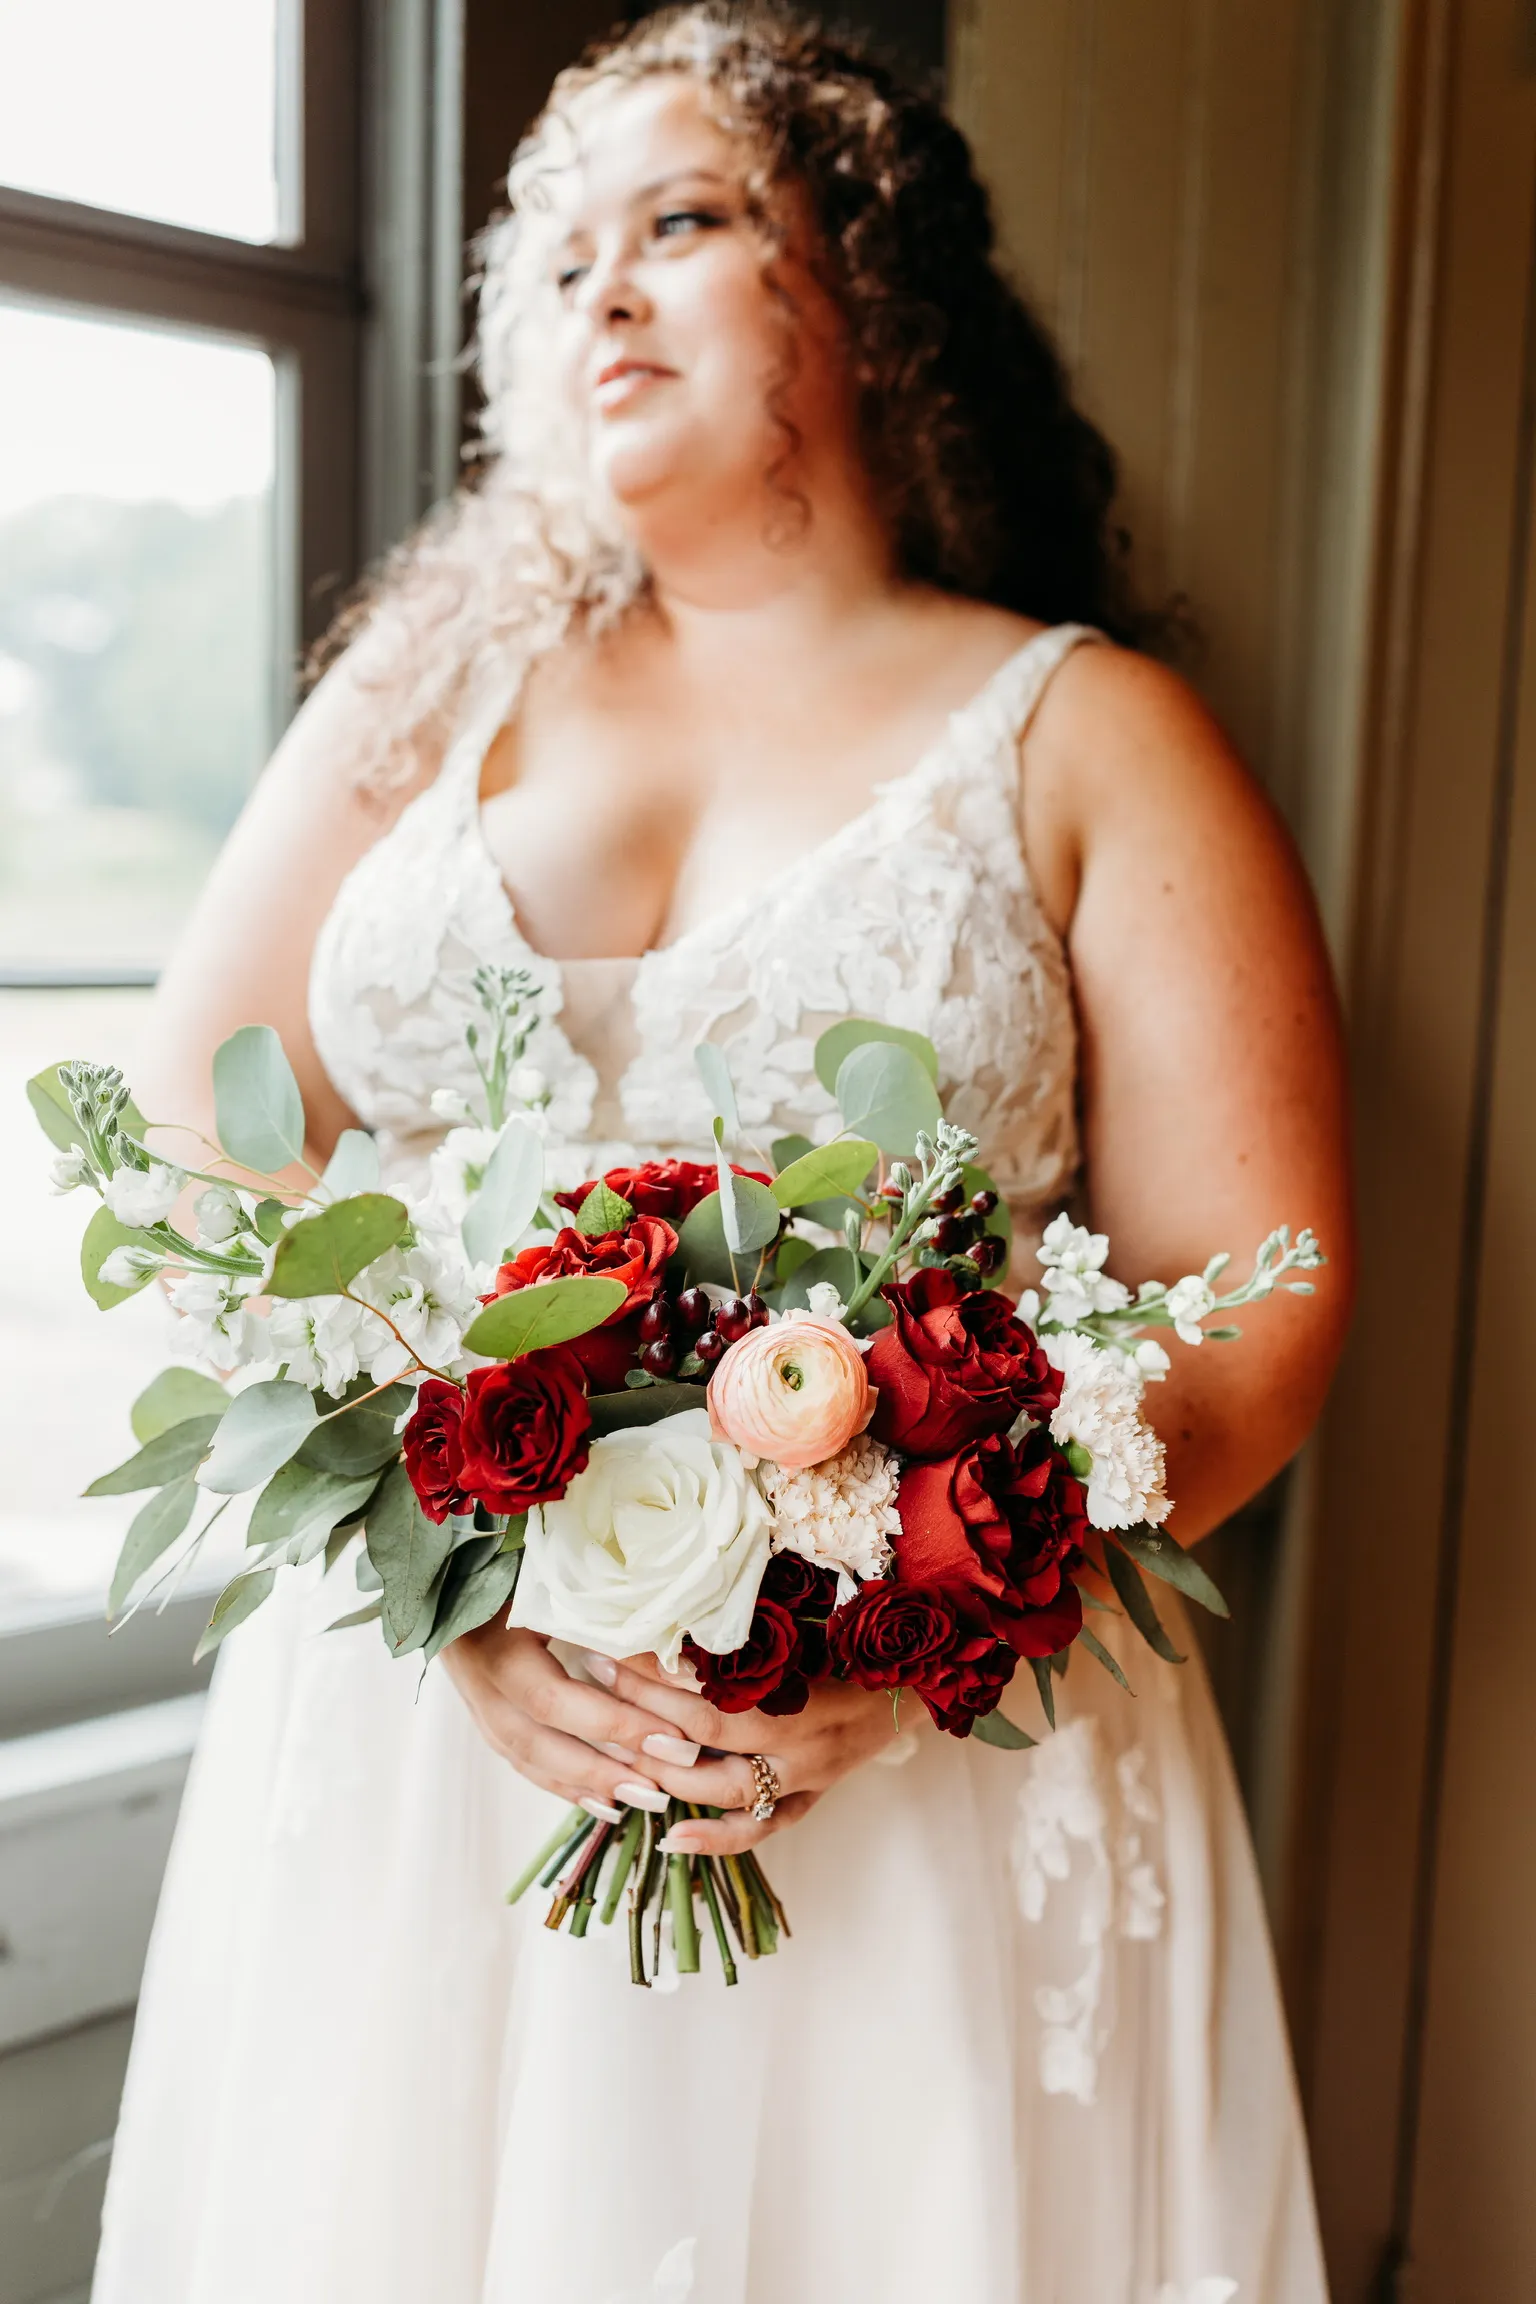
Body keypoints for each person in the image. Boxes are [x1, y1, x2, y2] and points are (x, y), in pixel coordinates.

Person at [93, 9, 1353, 2300]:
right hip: (423, 1768)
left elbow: (1255, 1289)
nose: (600, 287)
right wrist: (446, 1555)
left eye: (682, 223)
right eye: (554, 254)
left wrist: (930, 1605)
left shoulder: (1087, 733)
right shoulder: (422, 696)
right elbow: (198, 1122)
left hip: (931, 1774)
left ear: (863, 294)